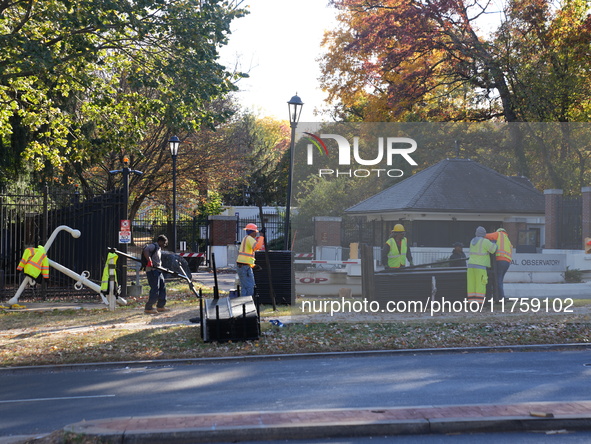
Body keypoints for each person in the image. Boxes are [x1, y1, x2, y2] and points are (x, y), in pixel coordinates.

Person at [467, 226, 497, 304]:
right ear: (484, 234)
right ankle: (479, 304)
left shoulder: (472, 241)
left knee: (471, 285)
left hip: (470, 266)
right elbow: (493, 250)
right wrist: (494, 243)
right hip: (480, 267)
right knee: (480, 285)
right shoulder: (485, 241)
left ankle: (472, 303)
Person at [143, 234, 169, 314]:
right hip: (152, 270)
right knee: (155, 289)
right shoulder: (153, 246)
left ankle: (160, 306)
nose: (164, 245)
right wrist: (149, 260)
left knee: (162, 287)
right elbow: (146, 250)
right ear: (160, 241)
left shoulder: (158, 248)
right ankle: (148, 307)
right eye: (164, 243)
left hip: (158, 270)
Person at [236, 223, 265, 297]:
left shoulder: (246, 238)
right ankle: (247, 303)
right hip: (244, 267)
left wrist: (253, 265)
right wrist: (261, 236)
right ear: (253, 232)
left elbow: (247, 256)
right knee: (249, 286)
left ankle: (244, 303)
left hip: (244, 266)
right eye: (256, 232)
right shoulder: (249, 238)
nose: (256, 234)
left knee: (245, 287)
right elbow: (258, 247)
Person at [485, 228, 513, 300]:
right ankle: (499, 296)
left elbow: (487, 236)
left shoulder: (499, 234)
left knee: (498, 280)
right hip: (507, 262)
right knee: (500, 279)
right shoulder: (507, 240)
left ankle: (500, 297)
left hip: (499, 260)